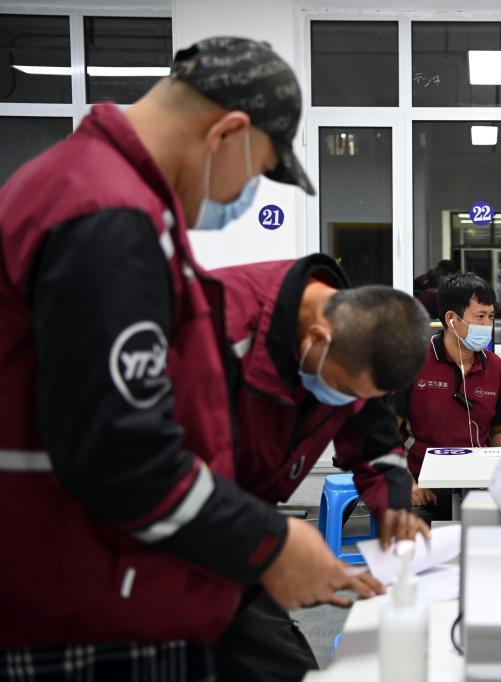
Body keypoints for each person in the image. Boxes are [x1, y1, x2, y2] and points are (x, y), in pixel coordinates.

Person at [0, 37, 380, 679]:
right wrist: (269, 542)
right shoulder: (109, 216)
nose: (246, 190)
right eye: (257, 170)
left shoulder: (103, 197)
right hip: (88, 600)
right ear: (227, 133)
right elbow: (120, 451)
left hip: (106, 580)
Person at [212, 254, 432, 680]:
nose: (349, 402)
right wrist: (282, 544)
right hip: (165, 538)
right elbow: (179, 473)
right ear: (317, 339)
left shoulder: (353, 345)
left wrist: (395, 511)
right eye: (347, 390)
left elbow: (376, 444)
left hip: (239, 535)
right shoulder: (220, 325)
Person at [393, 273, 501, 515]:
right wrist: (406, 482)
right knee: (421, 537)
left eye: (491, 317)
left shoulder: (496, 367)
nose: (487, 325)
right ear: (451, 319)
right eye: (479, 317)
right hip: (422, 486)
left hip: (478, 485)